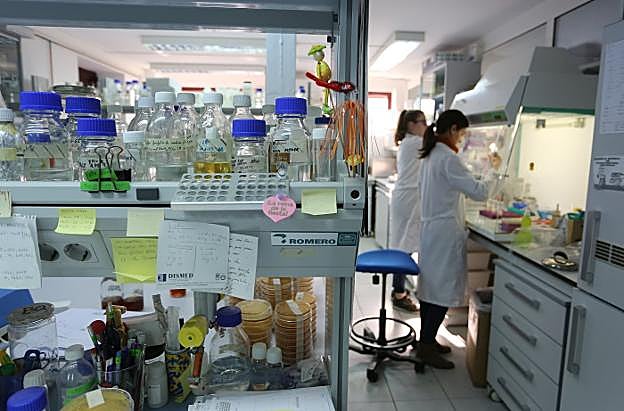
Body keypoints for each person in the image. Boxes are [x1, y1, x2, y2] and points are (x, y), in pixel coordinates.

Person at [417, 109, 499, 369]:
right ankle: (426, 348)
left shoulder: (431, 154)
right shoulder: (448, 158)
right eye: (461, 133)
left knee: (430, 290)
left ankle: (426, 341)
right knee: (440, 293)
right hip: (443, 233)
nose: (462, 139)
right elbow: (479, 193)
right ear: (453, 129)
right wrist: (493, 170)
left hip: (432, 230)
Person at [388, 110, 428, 313]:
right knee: (404, 248)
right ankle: (399, 293)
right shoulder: (415, 143)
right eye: (423, 122)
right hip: (409, 199)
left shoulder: (408, 142)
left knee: (402, 247)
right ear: (412, 124)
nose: (426, 126)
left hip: (406, 198)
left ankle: (399, 290)